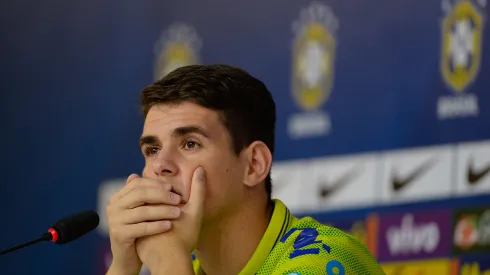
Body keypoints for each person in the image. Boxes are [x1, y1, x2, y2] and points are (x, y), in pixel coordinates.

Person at [105, 64, 385, 275]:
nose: (160, 166)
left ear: (254, 165)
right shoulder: (186, 263)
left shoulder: (324, 261)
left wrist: (169, 264)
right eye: (151, 150)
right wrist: (122, 266)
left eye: (190, 144)